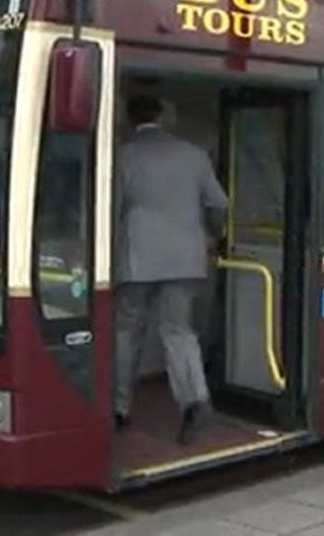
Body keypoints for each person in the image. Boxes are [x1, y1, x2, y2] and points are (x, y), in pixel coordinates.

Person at [114, 94, 228, 445]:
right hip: (185, 259)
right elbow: (219, 202)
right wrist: (212, 234)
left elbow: (112, 207)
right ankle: (194, 400)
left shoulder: (123, 155)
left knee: (127, 331)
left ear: (129, 119)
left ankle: (119, 407)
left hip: (137, 258)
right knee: (178, 331)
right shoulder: (193, 155)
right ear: (162, 116)